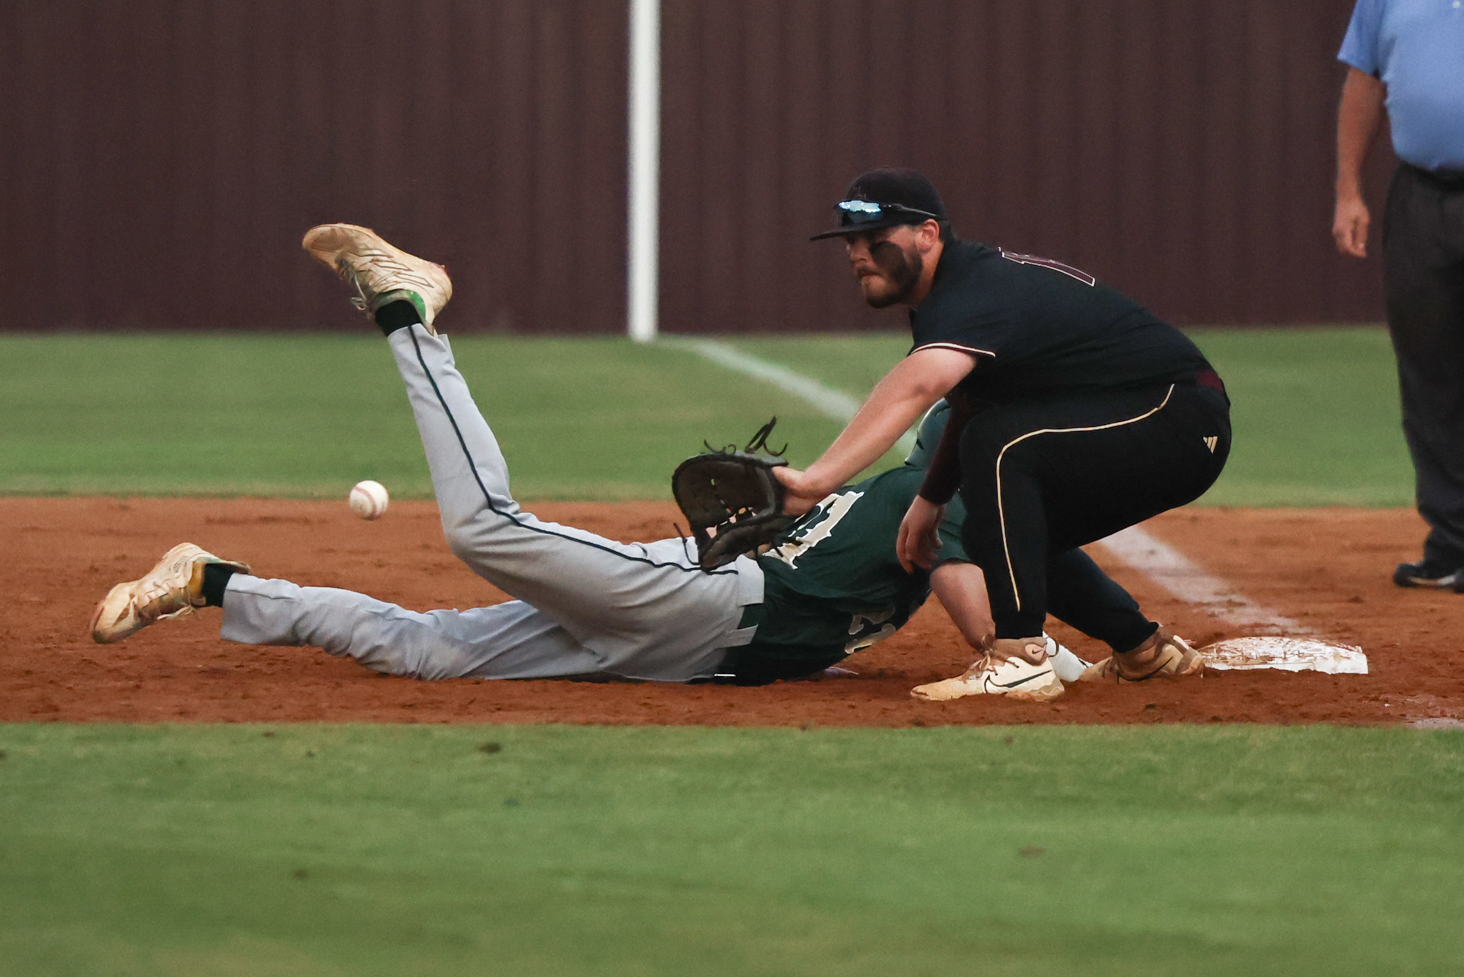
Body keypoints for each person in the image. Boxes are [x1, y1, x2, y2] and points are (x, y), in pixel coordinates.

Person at [89, 224, 1089, 696]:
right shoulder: (937, 485)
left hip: (692, 651)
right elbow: (982, 616)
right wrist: (1037, 650)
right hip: (699, 609)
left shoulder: (919, 487)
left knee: (428, 648)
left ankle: (211, 580)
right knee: (485, 527)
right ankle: (409, 310)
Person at [778, 168, 1231, 701]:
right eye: (849, 241)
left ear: (927, 235)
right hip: (1153, 419)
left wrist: (815, 480)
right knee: (992, 527)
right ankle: (1145, 651)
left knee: (998, 444)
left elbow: (919, 385)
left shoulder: (972, 289)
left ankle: (1020, 657)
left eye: (875, 239)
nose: (858, 253)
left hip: (1175, 416)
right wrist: (931, 498)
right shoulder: (953, 294)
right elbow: (974, 402)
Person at [1332, 0, 1464, 593]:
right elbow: (1364, 85)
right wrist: (1348, 190)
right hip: (1420, 196)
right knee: (1428, 368)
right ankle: (1453, 546)